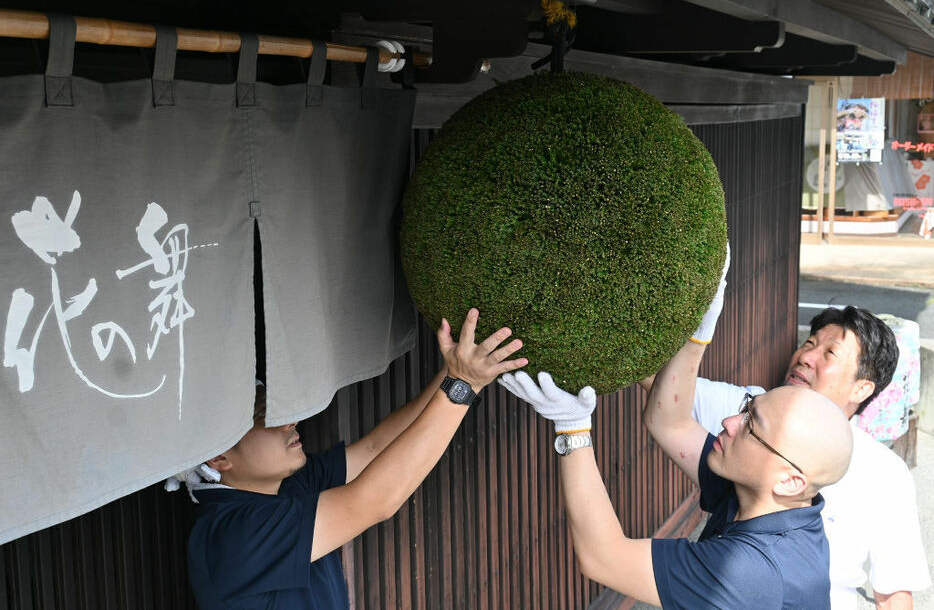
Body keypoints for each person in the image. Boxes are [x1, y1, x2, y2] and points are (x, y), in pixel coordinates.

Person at [501, 249, 856, 609]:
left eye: (752, 427)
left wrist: (572, 429)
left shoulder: (752, 571)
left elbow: (603, 559)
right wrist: (695, 338)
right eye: (746, 410)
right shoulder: (770, 498)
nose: (730, 423)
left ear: (790, 480)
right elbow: (669, 422)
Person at [174, 308, 527, 610]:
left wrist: (464, 375)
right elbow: (374, 502)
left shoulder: (285, 485)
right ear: (220, 457)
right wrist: (461, 385)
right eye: (265, 415)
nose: (290, 421)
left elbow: (376, 449)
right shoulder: (233, 533)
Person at [640, 304, 931, 610]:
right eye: (809, 343)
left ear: (863, 388)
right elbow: (667, 397)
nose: (806, 357)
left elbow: (894, 596)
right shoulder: (750, 407)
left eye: (829, 353)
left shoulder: (886, 474)